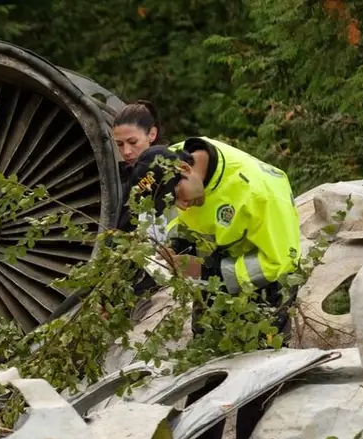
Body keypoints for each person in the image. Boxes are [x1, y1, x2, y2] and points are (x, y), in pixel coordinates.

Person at [125, 138, 302, 336]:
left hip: (267, 278)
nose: (181, 206)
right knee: (205, 336)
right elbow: (181, 217)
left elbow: (280, 262)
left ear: (185, 168)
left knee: (261, 348)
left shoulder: (260, 194)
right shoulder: (170, 162)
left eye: (178, 197)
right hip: (217, 261)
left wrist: (205, 272)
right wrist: (179, 244)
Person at [112, 100, 163, 184]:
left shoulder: (172, 171)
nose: (126, 152)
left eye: (133, 142)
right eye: (119, 144)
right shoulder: (117, 178)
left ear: (152, 134)